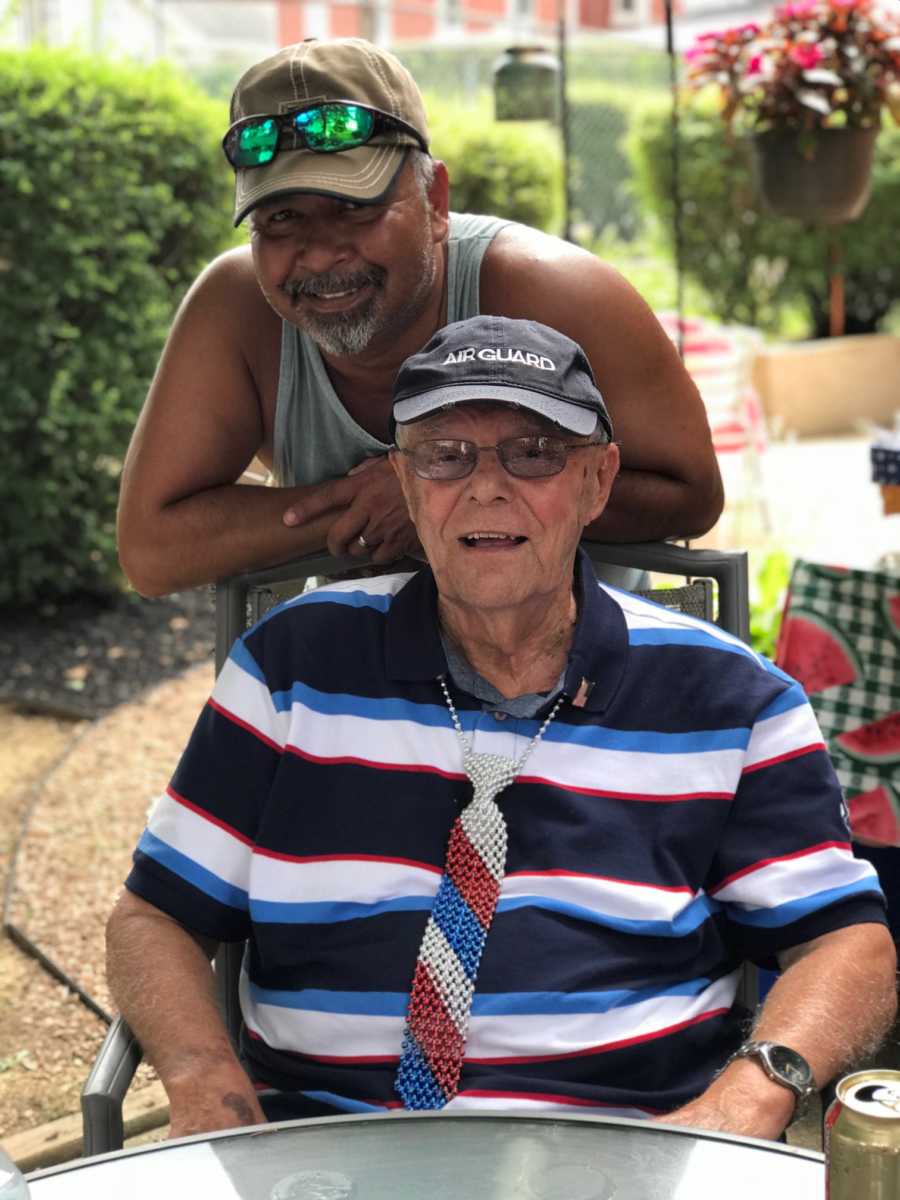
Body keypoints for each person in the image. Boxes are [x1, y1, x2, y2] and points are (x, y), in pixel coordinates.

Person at [107, 315, 895, 1142]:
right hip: (323, 1154)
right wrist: (205, 1082)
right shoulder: (293, 666)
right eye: (446, 456)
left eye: (534, 453)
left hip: (627, 1158)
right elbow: (155, 915)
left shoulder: (733, 700)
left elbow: (847, 947)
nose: (486, 487)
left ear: (597, 481)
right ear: (407, 489)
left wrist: (746, 1099)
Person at [116, 36, 724, 599]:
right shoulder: (238, 308)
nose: (321, 252)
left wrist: (432, 492)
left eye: (355, 209)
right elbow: (153, 549)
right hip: (362, 692)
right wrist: (402, 495)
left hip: (584, 691)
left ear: (435, 203)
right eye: (281, 219)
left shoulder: (552, 293)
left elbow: (692, 495)